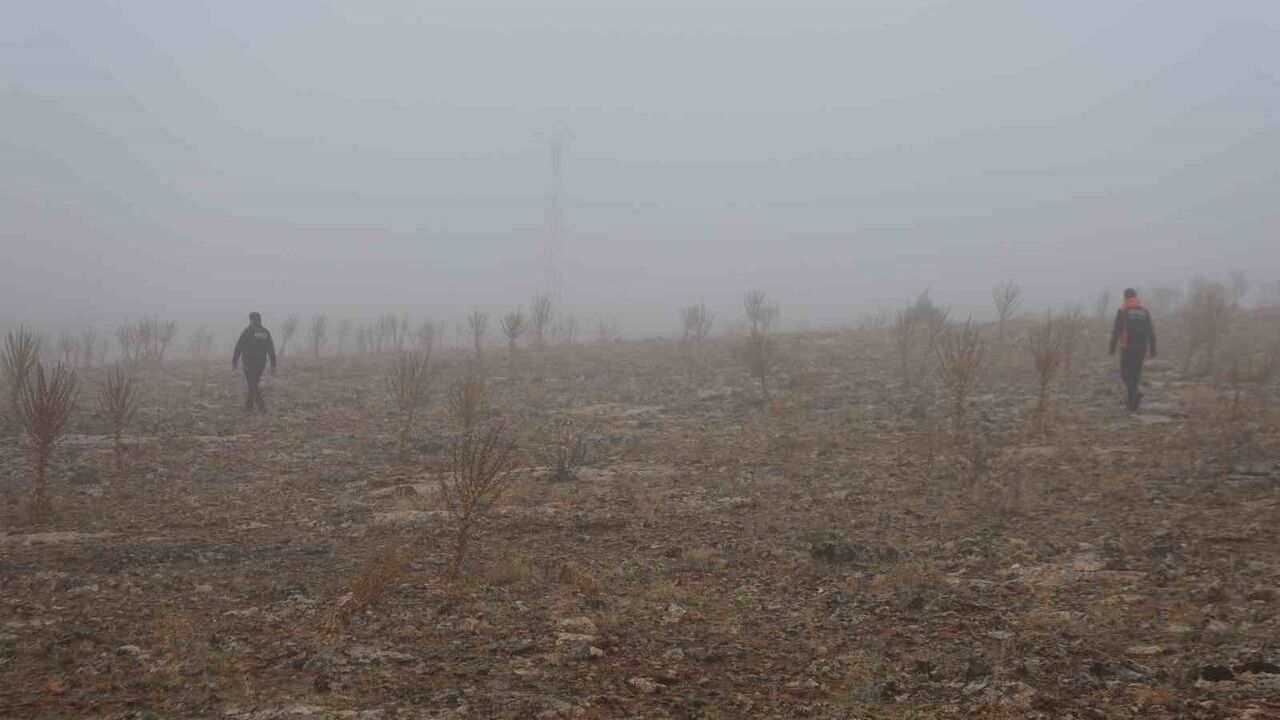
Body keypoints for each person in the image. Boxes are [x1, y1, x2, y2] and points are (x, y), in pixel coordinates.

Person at [1109, 288, 1157, 411]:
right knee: (1135, 375)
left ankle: (1134, 393)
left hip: (1127, 347)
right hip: (1141, 348)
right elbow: (1150, 329)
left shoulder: (1122, 311)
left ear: (1125, 297)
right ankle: (1131, 405)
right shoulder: (1144, 311)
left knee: (1125, 374)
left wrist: (1112, 347)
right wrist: (1153, 347)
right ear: (1136, 297)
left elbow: (1116, 330)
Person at [232, 312, 278, 412]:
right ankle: (248, 406)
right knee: (253, 383)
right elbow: (271, 349)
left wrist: (234, 361)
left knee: (252, 384)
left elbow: (239, 346)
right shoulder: (265, 333)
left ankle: (261, 406)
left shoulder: (247, 331)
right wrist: (273, 364)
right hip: (260, 364)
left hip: (249, 363)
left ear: (252, 320)